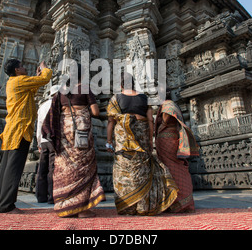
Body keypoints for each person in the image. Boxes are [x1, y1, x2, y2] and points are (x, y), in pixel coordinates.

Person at [106, 72, 178, 215]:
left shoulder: (115, 99)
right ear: (133, 84)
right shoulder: (144, 98)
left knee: (124, 171)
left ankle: (128, 206)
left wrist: (108, 141)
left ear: (120, 85)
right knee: (143, 169)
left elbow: (111, 122)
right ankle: (144, 206)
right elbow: (150, 120)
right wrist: (151, 140)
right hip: (142, 137)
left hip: (124, 140)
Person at [43, 64, 105, 218]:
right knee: (83, 167)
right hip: (81, 132)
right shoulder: (84, 88)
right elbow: (95, 112)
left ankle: (66, 205)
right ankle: (82, 209)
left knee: (66, 167)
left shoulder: (61, 92)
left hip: (64, 132)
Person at [0, 59, 52, 214]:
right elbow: (45, 78)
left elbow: (31, 90)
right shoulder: (18, 81)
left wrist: (35, 76)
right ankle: (7, 205)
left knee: (7, 167)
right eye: (22, 66)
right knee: (14, 168)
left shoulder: (14, 82)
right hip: (20, 129)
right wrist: (45, 69)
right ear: (17, 70)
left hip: (14, 129)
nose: (25, 68)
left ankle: (0, 203)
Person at [155, 98, 199, 213]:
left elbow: (167, 114)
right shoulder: (173, 104)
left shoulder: (167, 104)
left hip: (167, 139)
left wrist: (163, 125)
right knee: (177, 168)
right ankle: (181, 201)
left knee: (171, 169)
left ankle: (175, 202)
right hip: (171, 137)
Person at [35, 84, 60, 204]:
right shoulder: (57, 105)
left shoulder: (42, 106)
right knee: (52, 168)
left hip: (43, 141)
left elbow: (39, 125)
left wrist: (39, 142)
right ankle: (52, 196)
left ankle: (40, 196)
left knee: (42, 168)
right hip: (53, 140)